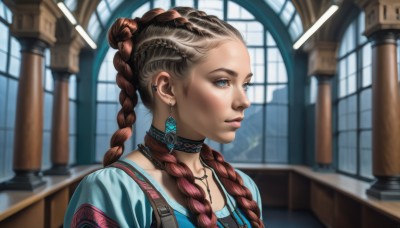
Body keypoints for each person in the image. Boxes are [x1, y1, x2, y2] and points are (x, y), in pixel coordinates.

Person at [64, 6, 264, 228]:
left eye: (246, 84)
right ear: (167, 89)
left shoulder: (244, 188)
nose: (244, 101)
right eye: (223, 81)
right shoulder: (115, 191)